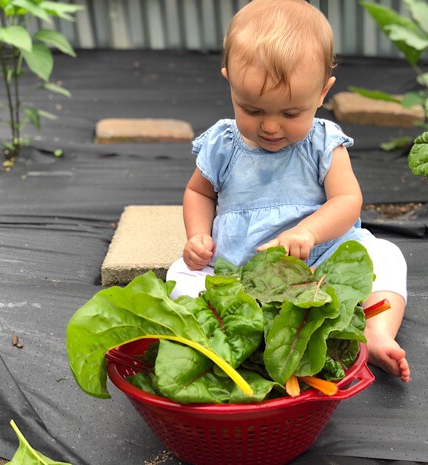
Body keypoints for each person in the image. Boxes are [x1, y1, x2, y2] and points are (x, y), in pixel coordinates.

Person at [167, 0, 410, 383]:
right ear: (229, 80)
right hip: (237, 274)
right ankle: (227, 338)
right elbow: (199, 193)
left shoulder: (323, 143)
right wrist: (197, 236)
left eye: (290, 113)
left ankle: (376, 332)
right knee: (180, 275)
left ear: (322, 93)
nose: (270, 126)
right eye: (252, 109)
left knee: (385, 256)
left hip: (317, 268)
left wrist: (308, 232)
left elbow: (348, 200)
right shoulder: (222, 143)